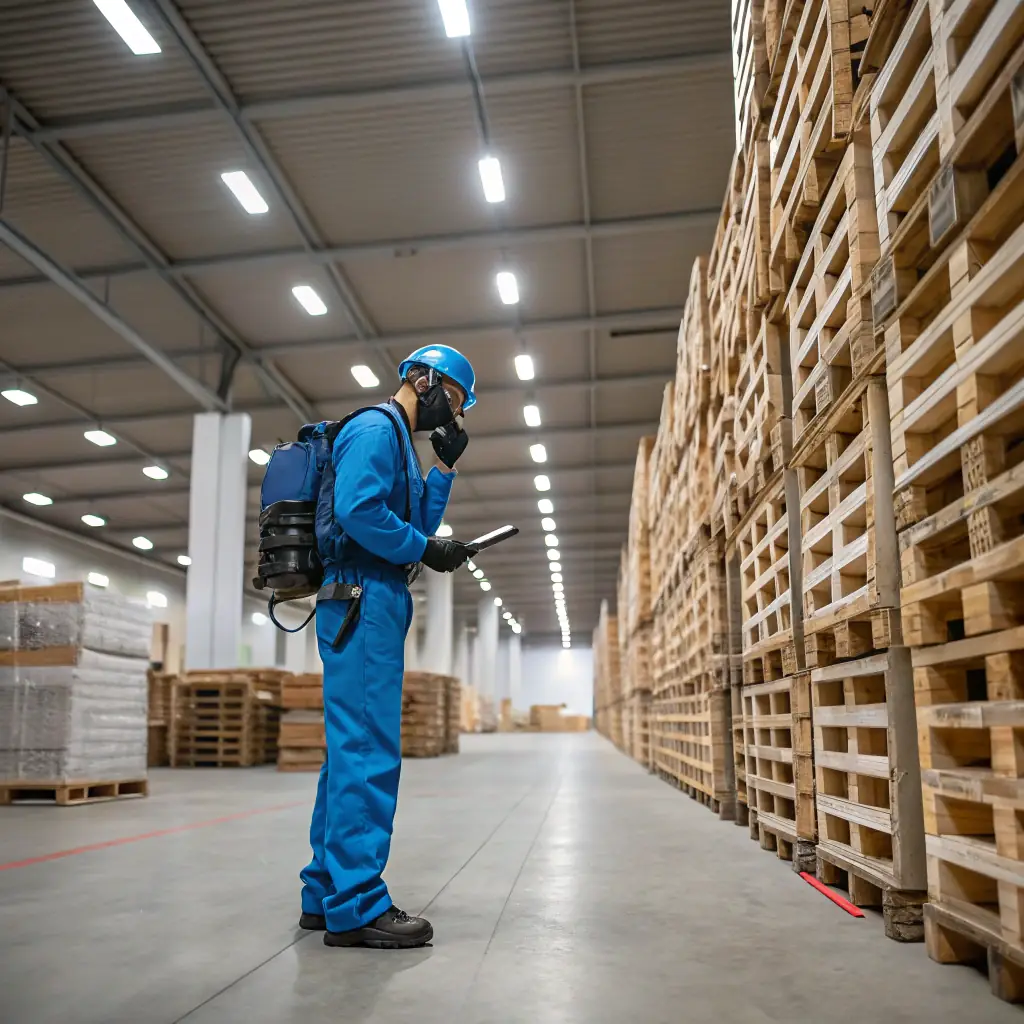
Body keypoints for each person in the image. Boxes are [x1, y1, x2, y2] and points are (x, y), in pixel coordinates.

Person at [297, 345, 477, 949]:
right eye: (449, 399)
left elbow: (415, 528)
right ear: (421, 380)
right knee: (369, 750)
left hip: (372, 598)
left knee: (349, 750)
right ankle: (357, 904)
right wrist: (425, 551)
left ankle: (324, 894)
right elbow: (358, 510)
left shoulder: (400, 440)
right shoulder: (375, 428)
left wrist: (443, 472)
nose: (450, 415)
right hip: (364, 597)